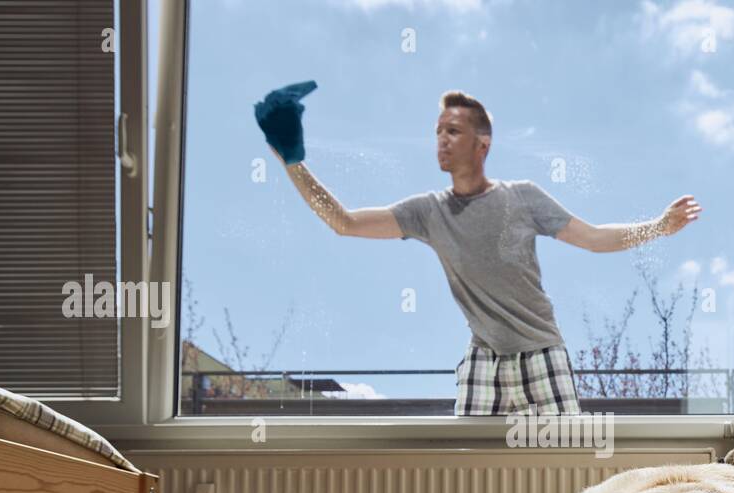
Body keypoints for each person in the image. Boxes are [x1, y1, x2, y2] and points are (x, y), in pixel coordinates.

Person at [262, 88, 702, 415]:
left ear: (482, 144)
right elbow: (345, 223)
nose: (441, 140)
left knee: (568, 470)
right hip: (482, 363)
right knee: (468, 475)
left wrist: (660, 226)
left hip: (542, 355)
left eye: (453, 131)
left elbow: (591, 238)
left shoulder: (523, 198)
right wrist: (292, 159)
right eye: (437, 132)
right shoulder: (428, 212)